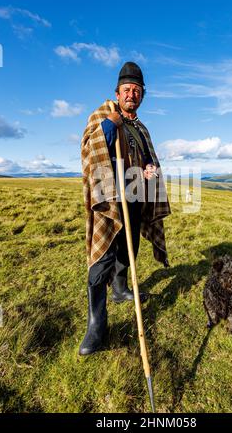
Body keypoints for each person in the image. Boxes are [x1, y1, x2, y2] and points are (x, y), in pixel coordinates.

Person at [79, 62, 170, 356]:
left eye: (137, 91)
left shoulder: (141, 128)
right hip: (110, 202)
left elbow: (144, 159)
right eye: (127, 90)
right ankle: (96, 326)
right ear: (117, 93)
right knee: (101, 261)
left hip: (134, 197)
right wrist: (112, 124)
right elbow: (91, 147)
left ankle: (120, 290)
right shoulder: (103, 117)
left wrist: (147, 170)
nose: (132, 94)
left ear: (142, 95)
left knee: (127, 251)